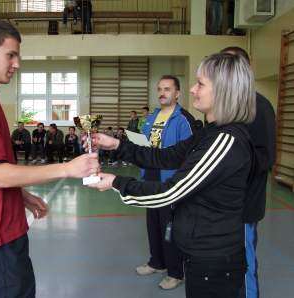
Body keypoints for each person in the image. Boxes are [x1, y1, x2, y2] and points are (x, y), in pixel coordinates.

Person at [0, 18, 99, 298]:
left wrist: (23, 196)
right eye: (10, 55)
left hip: (5, 226)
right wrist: (67, 168)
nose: (17, 63)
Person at [89, 53, 256, 298]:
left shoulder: (226, 140)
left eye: (200, 83)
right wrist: (116, 145)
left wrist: (116, 182)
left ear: (222, 91)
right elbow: (165, 157)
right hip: (199, 253)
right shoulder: (208, 133)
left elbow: (170, 192)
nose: (192, 88)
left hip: (215, 260)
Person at [221, 46, 276, 298]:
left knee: (245, 264)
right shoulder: (225, 107)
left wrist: (229, 169)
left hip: (244, 206)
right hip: (222, 205)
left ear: (246, 69)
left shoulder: (259, 106)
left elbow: (265, 157)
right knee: (228, 265)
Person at [136, 75, 198, 290]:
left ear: (178, 93)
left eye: (167, 89)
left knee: (170, 227)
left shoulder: (183, 120)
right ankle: (157, 262)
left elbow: (189, 155)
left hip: (171, 181)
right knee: (153, 223)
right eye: (160, 89)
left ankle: (175, 272)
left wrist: (179, 183)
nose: (162, 93)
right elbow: (144, 145)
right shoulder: (152, 117)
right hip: (151, 177)